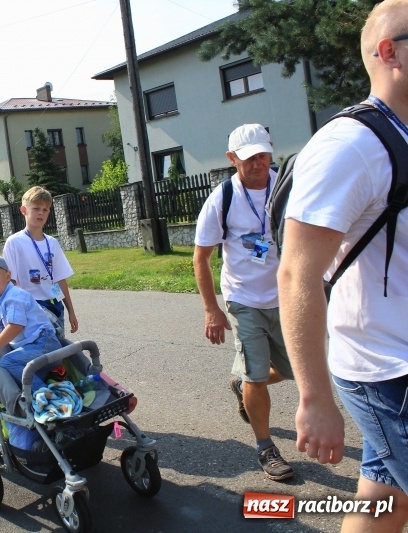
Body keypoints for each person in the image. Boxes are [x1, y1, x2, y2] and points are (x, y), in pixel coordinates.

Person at [278, 2, 408, 529]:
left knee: (387, 500)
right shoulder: (351, 145)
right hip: (388, 371)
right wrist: (314, 399)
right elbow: (296, 274)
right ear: (388, 51)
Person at [193, 124, 295, 481]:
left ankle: (245, 387)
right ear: (232, 158)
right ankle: (265, 445)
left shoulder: (289, 184)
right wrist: (212, 309)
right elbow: (201, 257)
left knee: (294, 369)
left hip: (287, 296)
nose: (258, 163)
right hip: (243, 298)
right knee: (255, 371)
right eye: (249, 157)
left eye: (263, 155)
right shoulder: (222, 198)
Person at [0, 254, 61, 392]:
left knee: (7, 362)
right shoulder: (1, 299)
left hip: (43, 344)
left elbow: (15, 326)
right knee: (25, 379)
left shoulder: (13, 297)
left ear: (7, 276)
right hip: (36, 347)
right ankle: (53, 383)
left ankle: (44, 395)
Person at [3, 186, 79, 335]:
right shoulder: (14, 242)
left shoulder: (52, 243)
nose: (41, 213)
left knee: (57, 350)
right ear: (24, 210)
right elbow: (10, 281)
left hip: (55, 305)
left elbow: (60, 279)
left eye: (45, 209)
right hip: (32, 306)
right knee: (43, 349)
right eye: (36, 208)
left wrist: (71, 311)